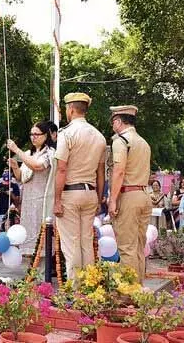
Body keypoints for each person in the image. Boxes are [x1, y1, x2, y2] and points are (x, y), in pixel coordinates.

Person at [53, 92, 106, 279]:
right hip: (90, 192)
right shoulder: (99, 136)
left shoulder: (66, 133)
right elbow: (101, 173)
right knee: (86, 242)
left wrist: (57, 200)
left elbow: (61, 169)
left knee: (71, 244)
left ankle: (76, 289)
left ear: (71, 109)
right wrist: (99, 199)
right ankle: (89, 286)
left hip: (70, 192)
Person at [107, 105, 151, 283]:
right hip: (143, 195)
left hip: (128, 195)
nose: (112, 126)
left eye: (113, 122)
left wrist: (112, 200)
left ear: (118, 121)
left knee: (126, 248)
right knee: (138, 247)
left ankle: (127, 294)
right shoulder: (143, 142)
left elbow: (119, 171)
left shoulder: (121, 141)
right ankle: (138, 289)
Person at [7, 121, 55, 255]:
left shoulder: (49, 153)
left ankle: (42, 269)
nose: (33, 137)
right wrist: (15, 167)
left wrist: (16, 150)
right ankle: (32, 269)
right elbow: (21, 177)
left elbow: (37, 166)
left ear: (46, 135)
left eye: (37, 134)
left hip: (42, 200)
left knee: (41, 234)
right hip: (28, 200)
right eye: (31, 134)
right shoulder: (29, 153)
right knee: (28, 235)